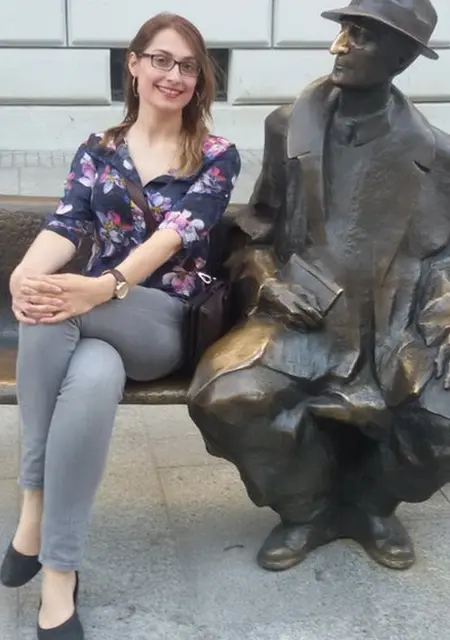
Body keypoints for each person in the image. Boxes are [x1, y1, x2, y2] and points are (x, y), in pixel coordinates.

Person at [0, 12, 240, 640]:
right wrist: (24, 273)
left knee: (56, 303)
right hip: (97, 323)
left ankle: (32, 502)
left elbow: (171, 238)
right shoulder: (99, 149)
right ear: (133, 65)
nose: (174, 75)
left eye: (188, 66)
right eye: (161, 59)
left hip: (162, 323)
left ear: (199, 80)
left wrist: (101, 287)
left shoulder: (216, 156)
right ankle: (59, 572)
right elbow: (68, 223)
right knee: (89, 371)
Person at [187, 0, 450, 574]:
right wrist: (268, 284)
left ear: (402, 58)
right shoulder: (288, 126)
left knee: (444, 418)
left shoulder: (438, 156)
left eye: (361, 36)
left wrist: (442, 323)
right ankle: (306, 508)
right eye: (344, 31)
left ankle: (373, 505)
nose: (339, 46)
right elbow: (254, 230)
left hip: (396, 326)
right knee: (225, 394)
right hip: (299, 319)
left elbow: (445, 259)